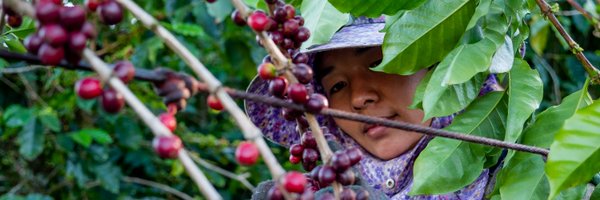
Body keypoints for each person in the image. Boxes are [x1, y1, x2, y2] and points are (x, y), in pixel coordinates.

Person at [245, 16, 501, 199]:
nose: (358, 98)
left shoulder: (517, 171)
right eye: (336, 86)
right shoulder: (330, 192)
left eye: (379, 64)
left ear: (443, 72)